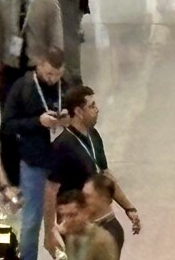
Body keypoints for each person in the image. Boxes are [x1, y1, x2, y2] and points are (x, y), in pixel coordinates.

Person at [43, 87, 140, 250]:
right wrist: (49, 233)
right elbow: (50, 191)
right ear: (79, 111)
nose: (97, 109)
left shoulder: (93, 136)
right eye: (92, 106)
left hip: (101, 218)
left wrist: (128, 207)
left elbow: (105, 175)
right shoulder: (61, 146)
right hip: (77, 224)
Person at [0, 51, 69, 252]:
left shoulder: (64, 86)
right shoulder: (23, 87)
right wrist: (37, 122)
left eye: (57, 75)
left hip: (62, 161)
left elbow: (78, 115)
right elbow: (8, 125)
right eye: (48, 74)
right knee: (31, 220)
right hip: (34, 162)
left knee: (68, 216)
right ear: (39, 65)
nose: (52, 79)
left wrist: (67, 118)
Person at [50, 188, 117, 260]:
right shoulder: (71, 236)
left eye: (72, 215)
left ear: (85, 212)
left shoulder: (101, 241)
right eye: (63, 215)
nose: (67, 221)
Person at [83, 173, 127, 255]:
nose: (82, 201)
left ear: (103, 199)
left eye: (87, 196)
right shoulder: (94, 224)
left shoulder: (110, 234)